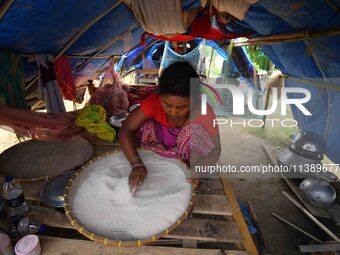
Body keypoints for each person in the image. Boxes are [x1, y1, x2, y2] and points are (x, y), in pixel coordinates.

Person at [119, 62, 221, 193]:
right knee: (143, 124)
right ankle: (155, 159)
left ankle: (186, 168)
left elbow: (216, 149)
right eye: (167, 105)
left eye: (182, 107)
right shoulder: (154, 102)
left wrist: (198, 169)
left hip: (187, 158)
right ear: (160, 96)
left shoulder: (204, 110)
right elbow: (126, 130)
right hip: (155, 147)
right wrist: (137, 163)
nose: (173, 112)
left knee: (194, 131)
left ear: (195, 99)